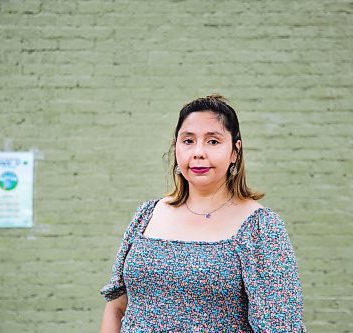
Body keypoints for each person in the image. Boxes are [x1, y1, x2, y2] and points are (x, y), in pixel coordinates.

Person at [99, 94, 306, 332]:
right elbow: (116, 307)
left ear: (235, 152)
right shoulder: (147, 215)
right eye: (188, 141)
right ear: (175, 147)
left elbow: (282, 326)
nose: (198, 152)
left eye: (213, 142)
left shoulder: (260, 227)